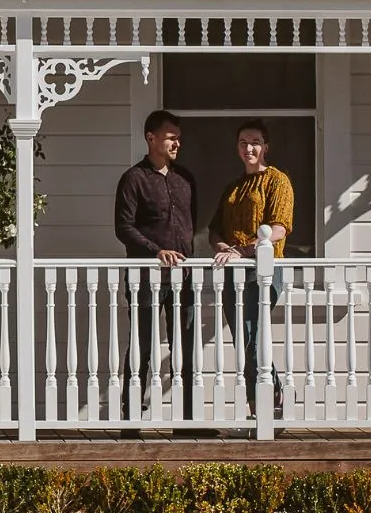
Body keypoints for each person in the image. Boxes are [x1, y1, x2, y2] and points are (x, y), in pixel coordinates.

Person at [114, 109, 198, 419]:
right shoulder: (133, 179)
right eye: (171, 137)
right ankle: (132, 416)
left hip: (184, 278)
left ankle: (187, 418)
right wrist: (156, 251)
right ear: (151, 138)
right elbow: (123, 227)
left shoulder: (185, 179)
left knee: (184, 346)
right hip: (145, 278)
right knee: (142, 346)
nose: (177, 143)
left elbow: (190, 225)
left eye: (179, 138)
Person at [210, 121, 294, 418]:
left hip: (264, 270)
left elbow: (279, 229)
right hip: (233, 272)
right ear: (237, 148)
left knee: (255, 337)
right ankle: (256, 406)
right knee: (242, 341)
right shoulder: (233, 188)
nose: (249, 148)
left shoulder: (277, 180)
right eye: (243, 142)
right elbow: (215, 229)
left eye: (255, 142)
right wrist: (223, 247)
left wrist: (242, 251)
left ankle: (272, 398)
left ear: (265, 147)